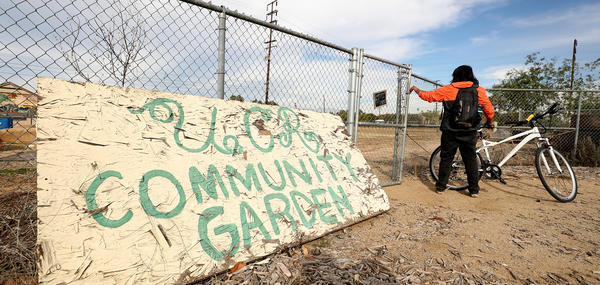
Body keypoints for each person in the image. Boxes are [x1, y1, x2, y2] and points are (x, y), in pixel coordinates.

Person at [409, 65, 495, 197]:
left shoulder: (448, 89)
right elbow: (489, 111)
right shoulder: (479, 91)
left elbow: (429, 97)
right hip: (470, 131)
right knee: (470, 159)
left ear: (455, 76)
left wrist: (416, 89)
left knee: (447, 158)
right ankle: (473, 190)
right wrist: (489, 122)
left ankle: (441, 187)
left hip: (450, 131)